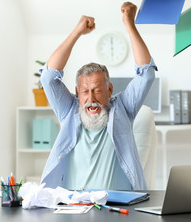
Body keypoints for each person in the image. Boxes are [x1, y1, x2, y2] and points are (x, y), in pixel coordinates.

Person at [39, 2, 157, 190]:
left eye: (97, 90)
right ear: (77, 93)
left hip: (119, 210)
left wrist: (129, 23)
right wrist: (77, 31)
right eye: (85, 91)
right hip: (74, 208)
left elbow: (146, 74)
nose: (91, 99)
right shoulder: (69, 110)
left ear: (110, 90)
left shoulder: (123, 108)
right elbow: (48, 77)